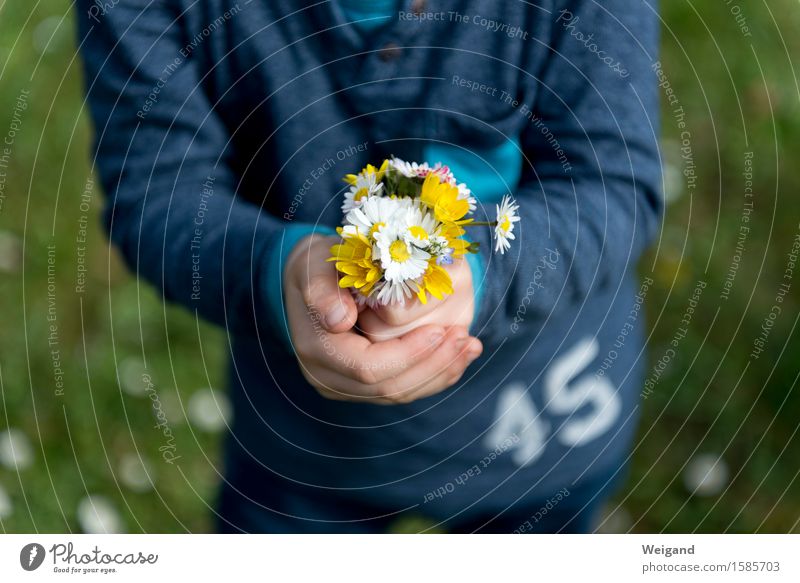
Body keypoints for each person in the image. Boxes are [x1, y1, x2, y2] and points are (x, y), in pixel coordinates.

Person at [78, 0, 662, 533]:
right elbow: (158, 193)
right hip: (302, 445)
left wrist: (484, 270)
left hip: (544, 423)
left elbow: (613, 188)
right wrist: (279, 269)